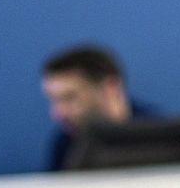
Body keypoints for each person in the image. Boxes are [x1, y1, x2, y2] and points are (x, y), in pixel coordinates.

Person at [40, 43, 158, 171]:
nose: (57, 113)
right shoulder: (65, 144)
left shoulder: (158, 135)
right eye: (54, 100)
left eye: (70, 97)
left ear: (110, 88)